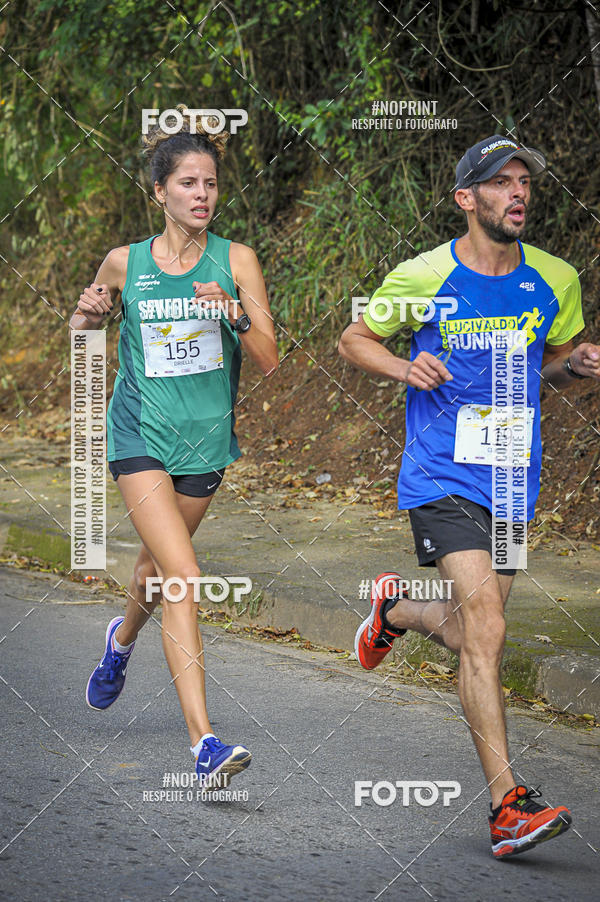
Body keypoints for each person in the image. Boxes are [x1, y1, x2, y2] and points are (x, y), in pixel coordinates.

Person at [338, 134, 600, 858]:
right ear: (466, 198)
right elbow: (353, 340)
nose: (518, 193)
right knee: (486, 625)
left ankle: (395, 610)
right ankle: (508, 805)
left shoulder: (555, 278)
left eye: (525, 182)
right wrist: (404, 367)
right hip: (441, 472)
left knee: (471, 630)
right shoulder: (423, 274)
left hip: (513, 475)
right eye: (501, 182)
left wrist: (576, 365)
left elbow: (546, 366)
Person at [70, 110, 278, 787]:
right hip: (139, 435)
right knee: (182, 574)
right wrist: (85, 318)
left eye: (210, 183)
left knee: (154, 572)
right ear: (159, 191)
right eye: (188, 183)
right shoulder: (125, 262)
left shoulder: (237, 261)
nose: (202, 194)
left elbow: (269, 357)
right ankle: (205, 744)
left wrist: (232, 312)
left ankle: (121, 640)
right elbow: (83, 330)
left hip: (205, 443)